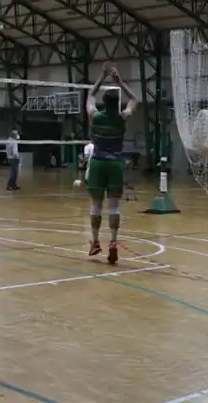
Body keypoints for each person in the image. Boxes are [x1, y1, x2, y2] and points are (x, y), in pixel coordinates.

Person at [85, 62, 138, 264]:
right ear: (117, 104)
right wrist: (119, 81)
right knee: (114, 206)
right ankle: (114, 242)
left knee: (96, 205)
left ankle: (95, 241)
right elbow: (134, 99)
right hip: (116, 163)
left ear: (103, 104)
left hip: (98, 163)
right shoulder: (123, 118)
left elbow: (90, 96)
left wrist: (102, 77)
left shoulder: (96, 117)